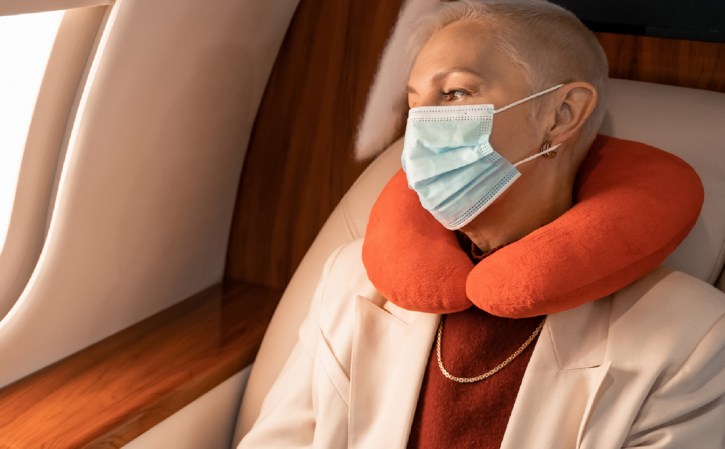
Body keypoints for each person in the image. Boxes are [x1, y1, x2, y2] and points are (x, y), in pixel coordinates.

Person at [239, 1, 725, 448]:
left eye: (454, 93)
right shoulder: (349, 282)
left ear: (561, 114)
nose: (422, 128)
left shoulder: (693, 336)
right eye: (414, 103)